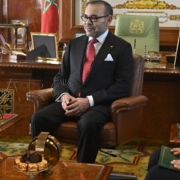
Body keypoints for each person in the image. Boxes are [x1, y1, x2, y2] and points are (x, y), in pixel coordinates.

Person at [30, 0, 133, 163]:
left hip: (98, 104)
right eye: (85, 17)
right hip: (69, 101)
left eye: (93, 18)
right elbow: (61, 77)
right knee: (38, 118)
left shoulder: (121, 47)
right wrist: (63, 95)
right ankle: (41, 163)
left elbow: (122, 86)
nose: (87, 22)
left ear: (108, 19)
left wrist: (89, 101)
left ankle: (83, 170)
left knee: (87, 124)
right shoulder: (74, 44)